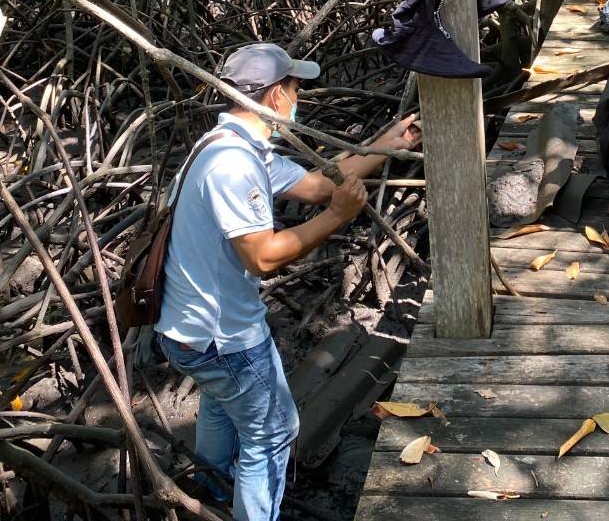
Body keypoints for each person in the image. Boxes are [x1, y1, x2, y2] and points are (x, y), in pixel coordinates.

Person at [155, 42, 421, 521]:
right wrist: (339, 217)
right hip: (222, 338)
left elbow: (321, 185)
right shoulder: (232, 165)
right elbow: (263, 257)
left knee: (221, 403)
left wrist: (389, 142)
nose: (300, 97)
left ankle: (211, 492)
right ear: (276, 95)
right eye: (296, 87)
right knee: (273, 431)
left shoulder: (236, 145)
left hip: (186, 332)